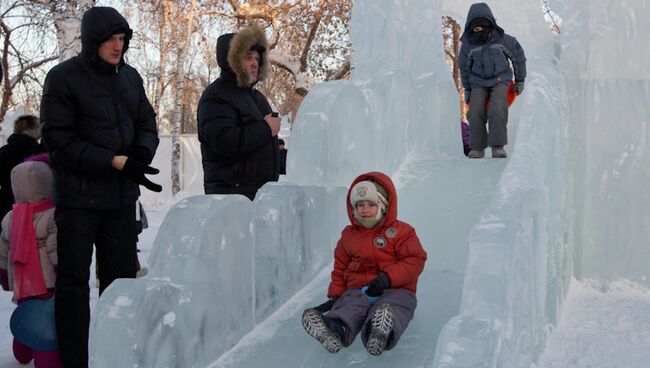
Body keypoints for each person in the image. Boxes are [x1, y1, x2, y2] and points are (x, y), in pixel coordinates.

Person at [39, 6, 160, 367]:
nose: (118, 45)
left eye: (123, 38)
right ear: (94, 40)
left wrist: (140, 152)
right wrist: (111, 161)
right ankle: (75, 360)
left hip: (120, 199)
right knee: (74, 285)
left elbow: (147, 122)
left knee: (120, 283)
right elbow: (58, 140)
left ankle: (116, 356)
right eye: (111, 38)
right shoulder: (62, 78)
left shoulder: (131, 78)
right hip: (77, 200)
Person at [302, 172, 428, 356]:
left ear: (384, 206)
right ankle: (336, 329)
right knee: (350, 306)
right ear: (353, 208)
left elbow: (416, 260)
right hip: (360, 290)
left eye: (371, 205)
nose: (365, 210)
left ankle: (380, 332)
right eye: (359, 205)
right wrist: (336, 295)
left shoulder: (402, 232)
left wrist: (388, 278)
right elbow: (340, 268)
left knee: (394, 307)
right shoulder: (349, 236)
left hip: (397, 289)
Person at [197, 23, 281, 201]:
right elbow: (224, 141)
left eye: (257, 59)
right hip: (230, 195)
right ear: (233, 59)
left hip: (255, 194)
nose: (254, 64)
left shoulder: (257, 97)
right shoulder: (216, 95)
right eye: (248, 57)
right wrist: (266, 128)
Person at [0, 160, 62, 368]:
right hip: (46, 283)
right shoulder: (52, 214)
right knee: (45, 323)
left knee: (27, 313)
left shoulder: (10, 217)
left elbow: (3, 251)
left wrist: (3, 275)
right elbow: (55, 249)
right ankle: (47, 360)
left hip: (22, 282)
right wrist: (62, 270)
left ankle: (22, 350)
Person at [459, 2, 527, 158]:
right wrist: (468, 90)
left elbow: (518, 58)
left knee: (497, 106)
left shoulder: (502, 39)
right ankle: (477, 147)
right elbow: (464, 69)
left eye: (482, 26)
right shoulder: (468, 45)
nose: (478, 30)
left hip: (500, 79)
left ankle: (497, 146)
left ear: (489, 23)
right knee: (475, 109)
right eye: (475, 27)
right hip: (478, 82)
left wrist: (520, 80)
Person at [0, 115, 46, 220]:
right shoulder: (39, 151)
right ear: (30, 129)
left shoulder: (4, 151)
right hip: (36, 209)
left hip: (6, 206)